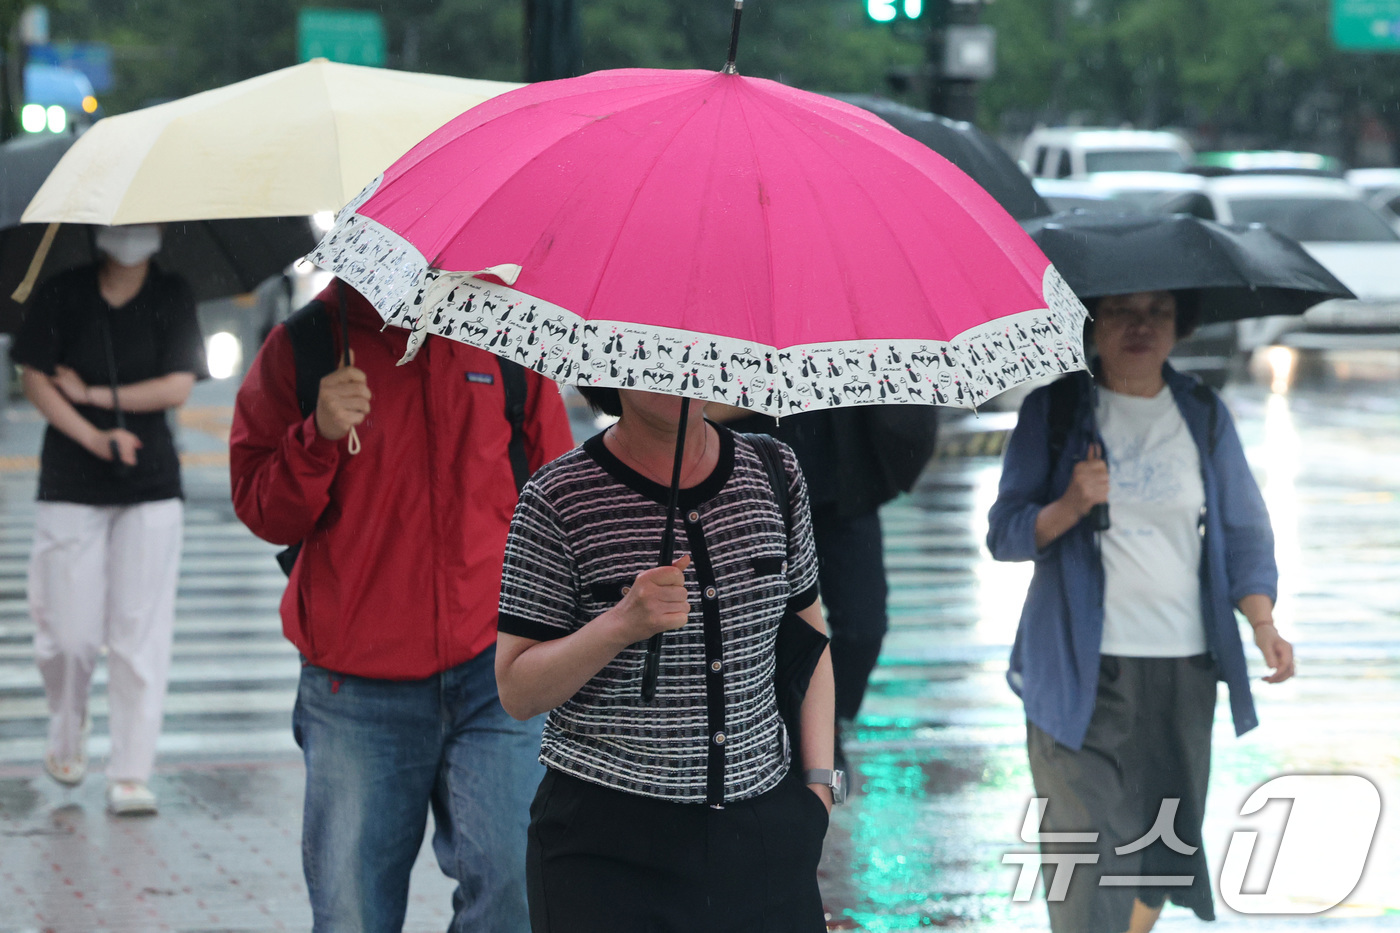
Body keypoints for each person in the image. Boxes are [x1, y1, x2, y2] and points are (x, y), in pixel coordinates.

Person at [229, 279, 574, 933]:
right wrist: (318, 434)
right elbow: (261, 506)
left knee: (517, 892)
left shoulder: (502, 331)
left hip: (493, 672)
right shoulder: (306, 345)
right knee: (352, 913)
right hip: (355, 688)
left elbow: (556, 489)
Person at [986, 290, 1295, 933]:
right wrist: (1068, 505)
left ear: (1181, 326)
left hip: (1182, 668)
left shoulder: (1202, 413)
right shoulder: (1056, 411)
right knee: (1088, 848)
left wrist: (1262, 623)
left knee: (1159, 850)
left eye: (1158, 311)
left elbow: (1243, 532)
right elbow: (1006, 533)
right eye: (1122, 309)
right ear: (1092, 323)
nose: (1140, 325)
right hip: (1078, 672)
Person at [495, 386, 837, 933]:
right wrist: (619, 624)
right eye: (652, 358)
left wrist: (817, 791)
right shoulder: (557, 497)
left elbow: (807, 637)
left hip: (763, 831)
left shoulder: (773, 469)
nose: (679, 374)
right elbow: (516, 689)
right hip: (606, 849)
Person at [14, 224, 208, 816]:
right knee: (69, 636)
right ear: (99, 230)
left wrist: (95, 396)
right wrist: (95, 439)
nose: (133, 235)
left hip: (150, 484)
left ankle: (130, 770)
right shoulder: (62, 291)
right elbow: (34, 377)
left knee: (138, 632)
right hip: (71, 479)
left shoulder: (172, 293)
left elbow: (178, 386)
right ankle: (66, 730)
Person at [720, 405, 937, 771]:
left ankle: (823, 725)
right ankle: (777, 736)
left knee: (864, 628)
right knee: (764, 630)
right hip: (759, 491)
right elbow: (700, 404)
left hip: (846, 487)